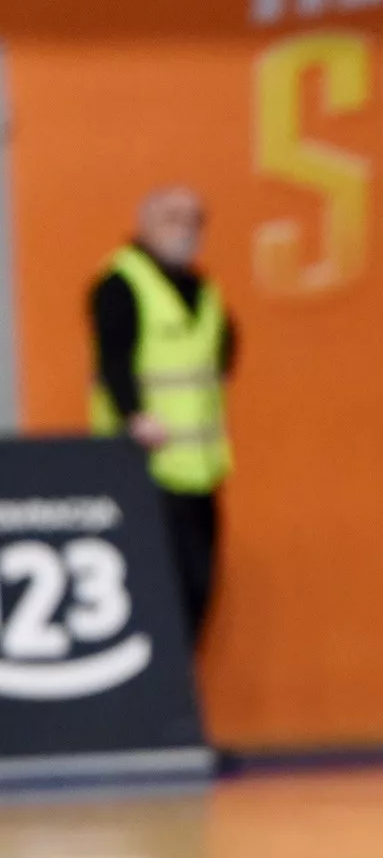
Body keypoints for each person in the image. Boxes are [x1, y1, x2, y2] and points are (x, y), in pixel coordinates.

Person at [88, 186, 235, 650]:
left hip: (200, 468)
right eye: (173, 218)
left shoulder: (202, 288)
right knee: (156, 592)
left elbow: (222, 347)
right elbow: (112, 360)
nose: (186, 230)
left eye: (195, 219)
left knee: (198, 586)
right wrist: (134, 414)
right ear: (146, 222)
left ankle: (178, 684)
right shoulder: (121, 283)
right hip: (144, 470)